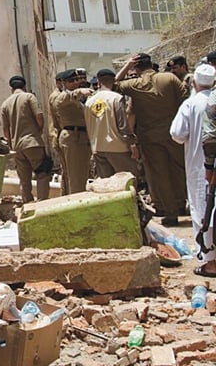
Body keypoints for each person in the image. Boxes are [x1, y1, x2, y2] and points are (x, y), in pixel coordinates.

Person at [114, 53, 188, 226]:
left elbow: (113, 85)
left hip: (150, 137)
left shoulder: (135, 84)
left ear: (136, 68)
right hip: (173, 133)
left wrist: (126, 66)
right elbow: (184, 101)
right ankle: (181, 204)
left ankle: (170, 213)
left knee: (160, 173)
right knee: (178, 169)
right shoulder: (170, 78)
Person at [171, 64, 216, 277]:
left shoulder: (190, 104)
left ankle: (209, 261)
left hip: (199, 167)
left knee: (202, 211)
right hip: (210, 165)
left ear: (194, 83)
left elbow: (177, 133)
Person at [0, 75, 51, 202]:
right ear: (24, 86)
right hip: (32, 142)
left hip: (17, 146)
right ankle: (42, 203)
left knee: (24, 179)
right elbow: (39, 116)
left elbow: (6, 130)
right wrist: (38, 131)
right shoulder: (29, 97)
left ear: (11, 88)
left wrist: (11, 145)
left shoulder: (5, 104)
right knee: (42, 173)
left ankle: (27, 204)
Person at [84, 69, 139, 179]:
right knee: (127, 182)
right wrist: (132, 144)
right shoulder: (116, 98)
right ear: (114, 81)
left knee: (107, 186)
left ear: (99, 82)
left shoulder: (89, 101)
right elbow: (122, 125)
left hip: (98, 148)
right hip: (118, 147)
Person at [50, 69, 92, 194]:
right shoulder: (62, 96)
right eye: (71, 81)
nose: (75, 83)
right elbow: (67, 96)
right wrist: (79, 91)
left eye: (76, 80)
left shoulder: (77, 100)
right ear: (63, 83)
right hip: (72, 138)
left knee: (82, 175)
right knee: (75, 177)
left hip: (81, 138)